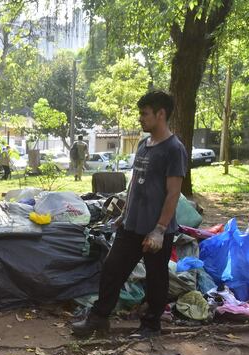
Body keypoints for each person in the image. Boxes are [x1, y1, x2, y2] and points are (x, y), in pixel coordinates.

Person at [71, 90, 186, 340]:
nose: (141, 119)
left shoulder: (174, 149)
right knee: (112, 270)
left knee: (156, 279)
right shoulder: (145, 145)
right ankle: (99, 320)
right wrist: (125, 212)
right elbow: (136, 182)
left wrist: (159, 229)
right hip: (131, 225)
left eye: (145, 114)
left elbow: (173, 193)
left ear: (161, 114)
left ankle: (151, 326)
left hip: (156, 230)